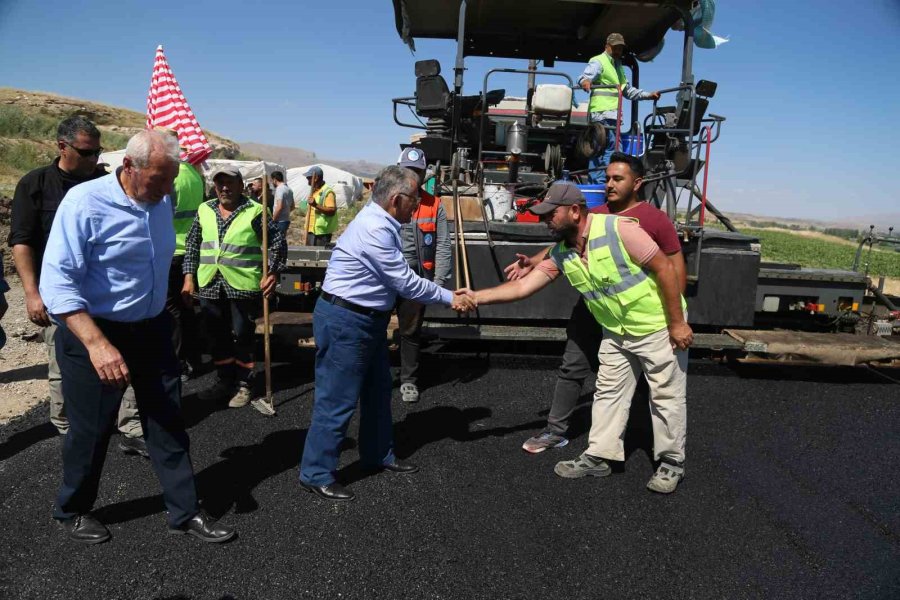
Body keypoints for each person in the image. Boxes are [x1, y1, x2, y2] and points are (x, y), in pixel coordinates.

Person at [39, 129, 234, 543]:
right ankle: (71, 509)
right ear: (129, 166)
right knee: (92, 430)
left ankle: (184, 511)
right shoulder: (84, 204)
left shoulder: (159, 200)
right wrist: (97, 344)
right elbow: (57, 286)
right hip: (94, 333)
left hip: (152, 328)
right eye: (159, 179)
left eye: (171, 179)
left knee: (167, 420)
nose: (168, 190)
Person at [473, 178, 692, 494]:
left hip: (657, 327)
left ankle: (671, 463)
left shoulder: (620, 230)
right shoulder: (563, 252)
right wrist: (475, 297)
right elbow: (522, 287)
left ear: (575, 211)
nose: (546, 220)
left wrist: (677, 323)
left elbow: (666, 269)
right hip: (617, 333)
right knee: (608, 394)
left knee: (666, 397)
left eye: (551, 214)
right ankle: (600, 456)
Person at [298, 166, 476, 502]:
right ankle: (315, 472)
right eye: (414, 200)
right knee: (336, 401)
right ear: (396, 200)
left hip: (367, 321)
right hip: (347, 322)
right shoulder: (375, 228)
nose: (417, 206)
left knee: (378, 391)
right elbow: (405, 282)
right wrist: (451, 297)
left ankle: (378, 454)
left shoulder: (382, 220)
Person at [510, 153, 686, 454]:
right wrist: (533, 262)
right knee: (573, 364)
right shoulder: (597, 213)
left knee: (650, 380)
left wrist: (676, 317)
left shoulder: (655, 220)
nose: (609, 184)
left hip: (639, 316)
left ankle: (642, 435)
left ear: (637, 183)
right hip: (596, 306)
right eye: (606, 178)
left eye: (617, 179)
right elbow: (562, 246)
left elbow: (673, 267)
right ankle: (556, 431)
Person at [7, 115, 144, 447]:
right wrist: (31, 293)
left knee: (122, 360)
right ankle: (69, 428)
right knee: (63, 365)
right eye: (85, 152)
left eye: (97, 152)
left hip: (106, 293)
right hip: (59, 296)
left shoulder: (107, 184)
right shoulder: (35, 185)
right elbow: (22, 242)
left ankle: (131, 427)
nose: (93, 159)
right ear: (62, 146)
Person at [182, 165, 286, 409]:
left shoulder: (255, 210)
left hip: (243, 284)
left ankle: (243, 383)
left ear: (242, 185)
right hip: (209, 282)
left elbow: (277, 244)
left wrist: (272, 272)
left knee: (242, 336)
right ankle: (223, 380)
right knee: (216, 336)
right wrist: (188, 277)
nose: (225, 188)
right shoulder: (204, 209)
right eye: (220, 183)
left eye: (230, 183)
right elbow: (193, 244)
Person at [395, 148, 452, 403]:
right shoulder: (389, 199)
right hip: (387, 278)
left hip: (417, 280)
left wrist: (438, 284)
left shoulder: (434, 204)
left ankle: (408, 380)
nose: (413, 176)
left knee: (410, 331)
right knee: (373, 328)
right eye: (408, 170)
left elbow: (441, 244)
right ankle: (372, 376)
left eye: (417, 171)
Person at [579, 33, 660, 185]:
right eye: (615, 47)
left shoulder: (618, 68)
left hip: (613, 116)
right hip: (601, 115)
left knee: (609, 150)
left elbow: (628, 91)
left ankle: (602, 183)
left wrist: (649, 95)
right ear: (607, 46)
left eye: (620, 48)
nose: (618, 51)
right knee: (603, 150)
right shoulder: (598, 61)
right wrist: (586, 81)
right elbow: (584, 77)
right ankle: (599, 184)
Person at [302, 166, 337, 246]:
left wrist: (315, 205)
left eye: (309, 178)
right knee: (310, 256)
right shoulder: (314, 191)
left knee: (317, 256)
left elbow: (332, 211)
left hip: (321, 233)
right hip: (311, 231)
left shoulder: (327, 192)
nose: (308, 182)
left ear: (316, 178)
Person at [270, 171, 294, 236]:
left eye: (272, 180)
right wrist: (285, 212)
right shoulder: (289, 189)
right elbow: (292, 206)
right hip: (286, 220)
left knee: (277, 243)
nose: (272, 182)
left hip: (279, 221)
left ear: (274, 179)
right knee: (282, 241)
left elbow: (279, 207)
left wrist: (273, 220)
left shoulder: (280, 189)